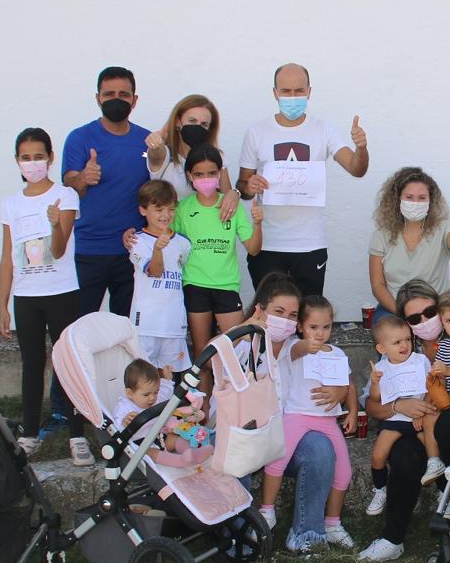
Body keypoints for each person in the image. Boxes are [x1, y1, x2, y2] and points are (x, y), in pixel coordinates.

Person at [357, 280, 450, 563]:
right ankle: (392, 538)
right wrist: (399, 405)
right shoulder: (398, 350)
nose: (424, 321)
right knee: (403, 455)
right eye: (414, 318)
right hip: (412, 425)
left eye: (430, 312)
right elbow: (371, 404)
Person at [0, 128, 91, 464]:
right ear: (17, 161)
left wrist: (55, 225)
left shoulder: (65, 196)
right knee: (32, 364)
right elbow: (8, 257)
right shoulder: (10, 203)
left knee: (69, 363)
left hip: (61, 292)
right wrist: (3, 305)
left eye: (39, 156)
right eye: (26, 157)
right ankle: (30, 434)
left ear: (50, 158)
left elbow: (60, 248)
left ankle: (77, 435)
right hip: (26, 296)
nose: (33, 162)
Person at [237, 63, 370, 298]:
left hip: (310, 243)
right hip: (267, 243)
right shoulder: (257, 132)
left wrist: (361, 148)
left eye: (299, 91)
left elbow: (356, 169)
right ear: (275, 93)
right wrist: (250, 186)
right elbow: (243, 186)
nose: (292, 97)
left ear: (309, 91)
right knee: (270, 317)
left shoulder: (324, 130)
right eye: (286, 91)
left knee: (308, 317)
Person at [240, 274, 338, 553]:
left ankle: (307, 535)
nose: (285, 320)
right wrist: (246, 328)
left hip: (283, 436)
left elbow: (335, 373)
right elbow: (211, 357)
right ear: (260, 310)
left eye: (292, 315)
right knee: (236, 463)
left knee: (321, 449)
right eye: (278, 312)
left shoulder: (298, 345)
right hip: (244, 434)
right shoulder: (240, 343)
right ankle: (242, 536)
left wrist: (341, 394)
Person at [260, 296, 357, 550]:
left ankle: (333, 523)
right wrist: (307, 344)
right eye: (313, 327)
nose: (320, 333)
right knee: (278, 460)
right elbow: (299, 350)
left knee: (344, 472)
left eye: (326, 327)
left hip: (328, 420)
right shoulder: (294, 347)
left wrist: (353, 411)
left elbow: (349, 385)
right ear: (301, 327)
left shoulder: (337, 353)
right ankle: (267, 510)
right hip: (297, 416)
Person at [62, 66, 151, 317]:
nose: (116, 99)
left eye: (124, 94)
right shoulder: (79, 138)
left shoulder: (147, 141)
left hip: (133, 252)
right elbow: (69, 188)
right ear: (97, 98)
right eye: (109, 94)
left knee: (127, 330)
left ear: (134, 100)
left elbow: (159, 191)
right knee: (80, 327)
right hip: (89, 251)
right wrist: (83, 177)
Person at [171, 146, 263, 365]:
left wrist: (258, 224)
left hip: (226, 286)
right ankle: (202, 400)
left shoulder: (232, 206)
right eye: (199, 174)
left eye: (212, 173)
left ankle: (229, 399)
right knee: (201, 354)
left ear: (220, 173)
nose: (206, 179)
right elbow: (165, 236)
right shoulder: (183, 209)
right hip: (194, 285)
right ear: (189, 176)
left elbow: (253, 248)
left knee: (238, 349)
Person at [367, 167, 450, 324]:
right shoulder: (382, 235)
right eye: (409, 197)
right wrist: (403, 314)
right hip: (394, 308)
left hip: (435, 308)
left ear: (431, 201)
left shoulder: (443, 228)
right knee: (390, 335)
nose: (415, 203)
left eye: (422, 198)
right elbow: (377, 285)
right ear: (397, 199)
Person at [366, 314, 439, 515]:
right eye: (397, 342)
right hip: (394, 419)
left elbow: (431, 388)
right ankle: (380, 489)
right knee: (378, 455)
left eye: (408, 339)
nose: (404, 345)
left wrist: (422, 413)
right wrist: (374, 382)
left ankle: (444, 489)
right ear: (382, 348)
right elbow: (376, 398)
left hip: (420, 418)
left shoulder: (420, 360)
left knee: (434, 451)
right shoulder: (381, 368)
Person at [128, 180, 191, 370]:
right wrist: (157, 249)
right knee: (144, 379)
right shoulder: (136, 241)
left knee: (169, 381)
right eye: (159, 209)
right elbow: (155, 271)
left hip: (174, 324)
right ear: (143, 210)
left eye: (170, 209)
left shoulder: (184, 243)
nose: (165, 215)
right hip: (145, 325)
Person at [142, 94, 239, 215]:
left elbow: (226, 196)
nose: (198, 127)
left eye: (204, 124)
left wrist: (235, 194)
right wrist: (159, 136)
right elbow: (156, 150)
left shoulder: (216, 156)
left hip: (205, 229)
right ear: (178, 122)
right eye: (192, 121)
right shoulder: (165, 156)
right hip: (171, 229)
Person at [111, 358, 175, 429]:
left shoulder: (157, 397)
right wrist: (124, 422)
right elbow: (115, 427)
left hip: (159, 432)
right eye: (146, 395)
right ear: (130, 394)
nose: (152, 397)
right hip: (138, 439)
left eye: (156, 392)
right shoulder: (124, 407)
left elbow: (166, 391)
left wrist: (167, 379)